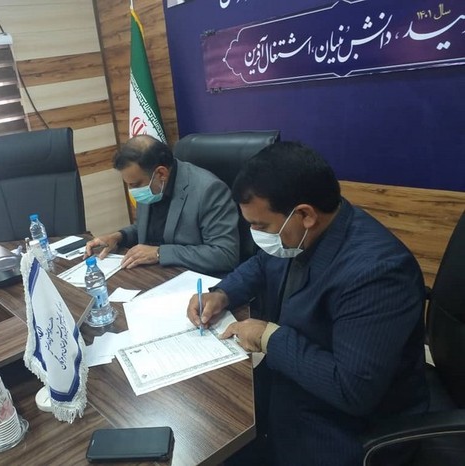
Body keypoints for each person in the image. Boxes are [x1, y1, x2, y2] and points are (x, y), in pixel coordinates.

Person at [187, 141, 429, 466]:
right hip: (294, 381)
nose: (256, 234)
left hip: (348, 423)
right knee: (208, 420)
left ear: (305, 215)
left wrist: (267, 336)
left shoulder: (377, 273)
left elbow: (351, 390)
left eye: (261, 226)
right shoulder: (300, 234)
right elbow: (261, 264)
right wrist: (222, 293)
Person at [85, 135, 239, 275]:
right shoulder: (152, 185)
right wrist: (118, 237)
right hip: (154, 275)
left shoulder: (209, 190)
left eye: (135, 184)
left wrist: (159, 253)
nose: (132, 191)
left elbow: (225, 255)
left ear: (161, 174)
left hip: (192, 279)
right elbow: (145, 229)